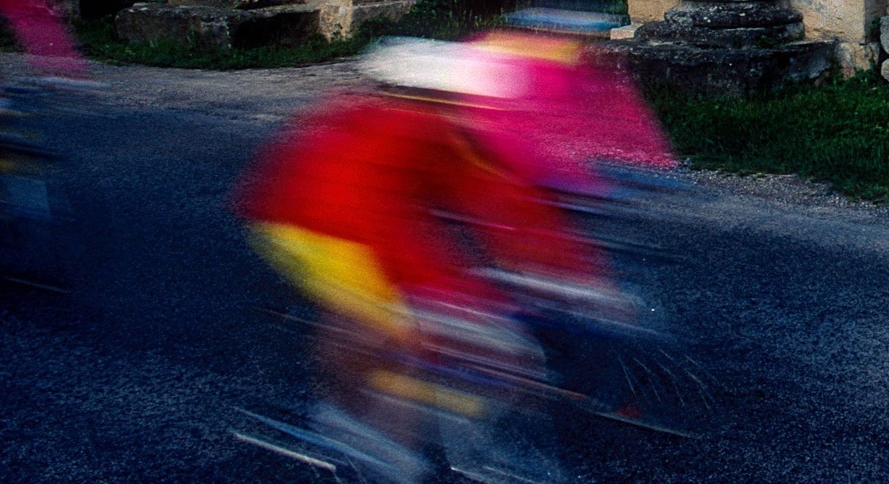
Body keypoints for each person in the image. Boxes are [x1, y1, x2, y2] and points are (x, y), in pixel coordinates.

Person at [236, 37, 628, 484]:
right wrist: (458, 300)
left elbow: (501, 203)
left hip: (312, 216)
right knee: (394, 331)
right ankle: (372, 443)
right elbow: (387, 236)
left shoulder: (428, 127)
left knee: (408, 327)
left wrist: (570, 273)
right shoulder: (406, 129)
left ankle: (354, 417)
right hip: (314, 227)